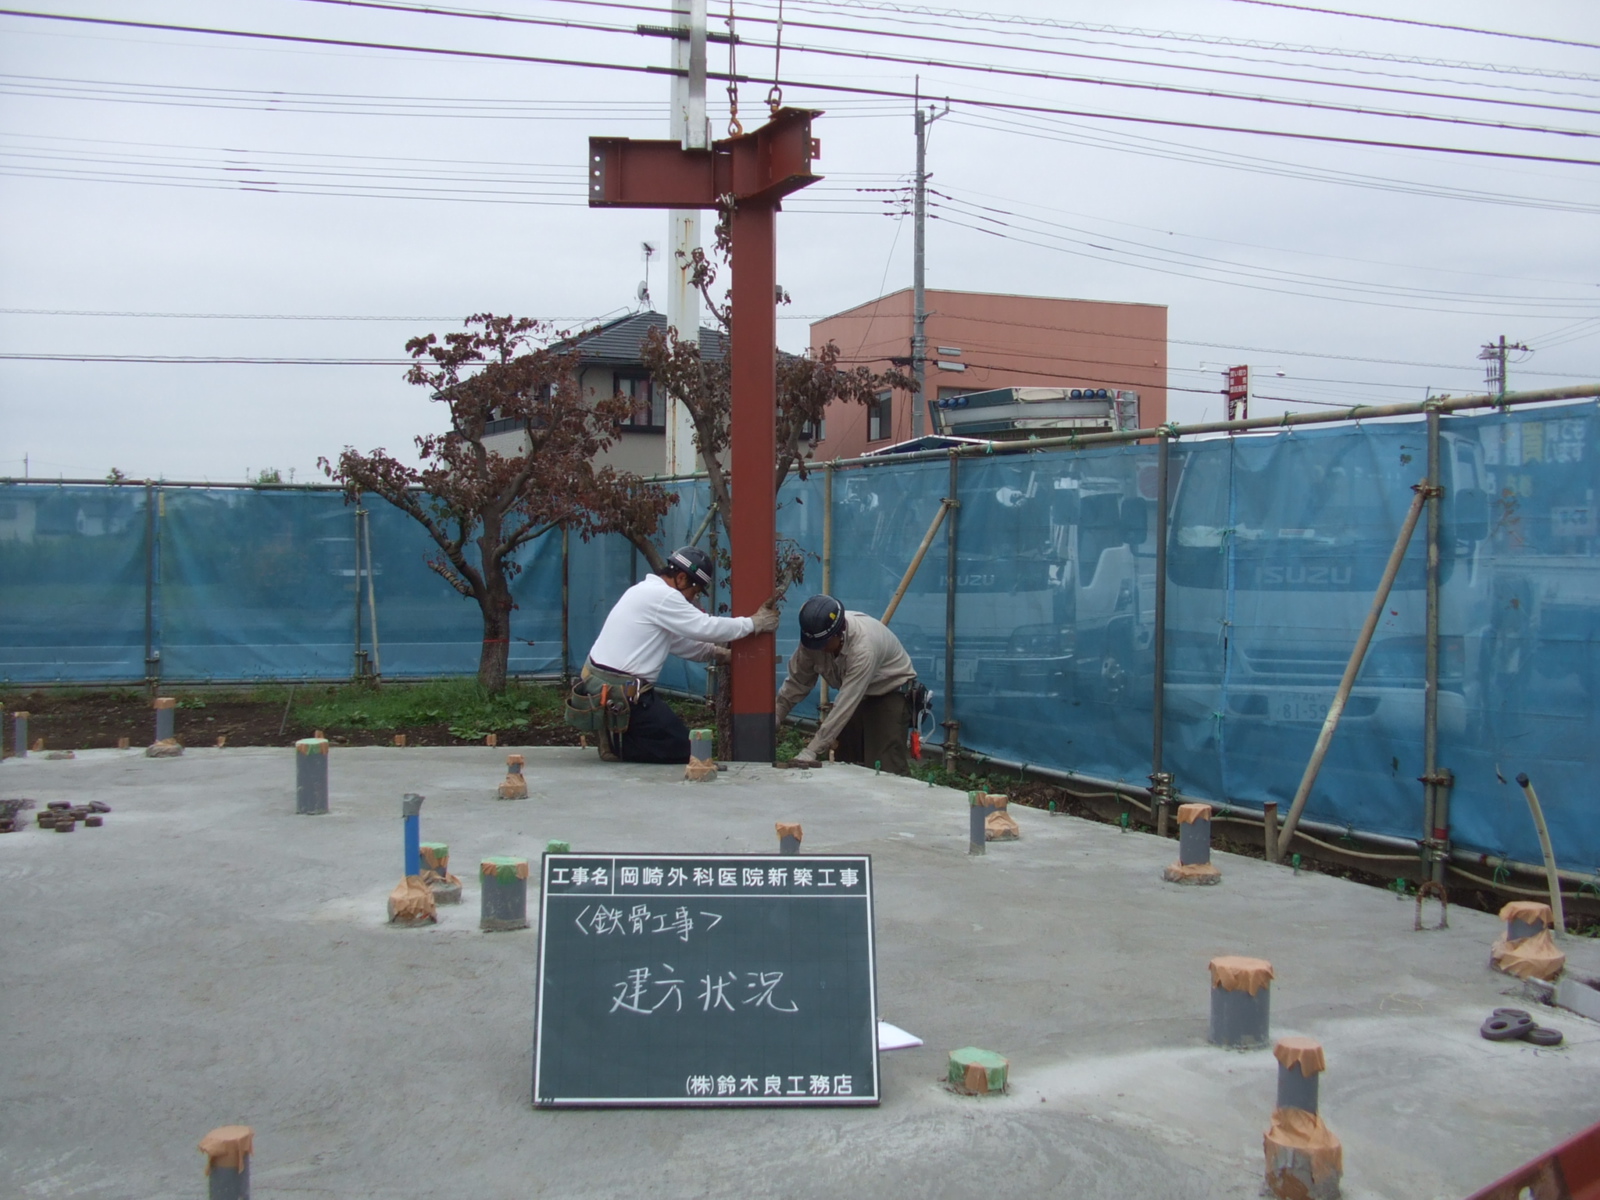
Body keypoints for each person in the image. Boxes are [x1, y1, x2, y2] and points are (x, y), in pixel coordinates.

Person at [572, 546, 779, 764]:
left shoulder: (643, 591)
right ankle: (617, 743)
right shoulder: (663, 596)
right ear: (681, 578)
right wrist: (753, 624)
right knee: (681, 748)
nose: (694, 598)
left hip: (605, 684)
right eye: (695, 591)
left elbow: (677, 642)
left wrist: (716, 653)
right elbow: (704, 626)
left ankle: (613, 732)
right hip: (621, 693)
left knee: (673, 741)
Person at [773, 594, 919, 773]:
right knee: (845, 762)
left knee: (884, 767)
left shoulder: (863, 649)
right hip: (856, 691)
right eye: (813, 643)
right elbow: (797, 682)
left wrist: (811, 751)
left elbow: (845, 704)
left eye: (823, 643)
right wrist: (777, 715)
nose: (818, 648)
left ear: (840, 632)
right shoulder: (812, 640)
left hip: (889, 691)